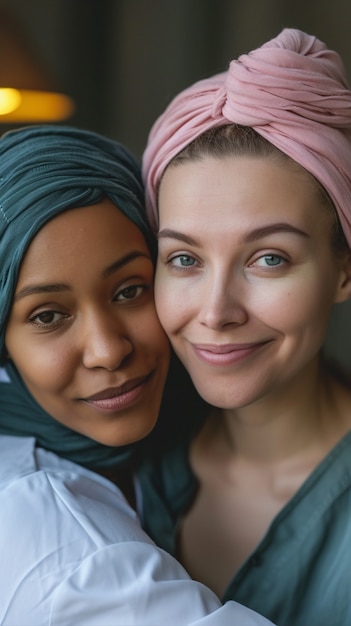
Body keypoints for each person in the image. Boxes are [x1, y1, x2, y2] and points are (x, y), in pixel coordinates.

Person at [0, 125, 274, 625]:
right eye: (47, 316)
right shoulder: (65, 548)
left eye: (130, 290)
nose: (108, 351)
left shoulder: (193, 435)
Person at [139, 28, 351, 626]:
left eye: (269, 258)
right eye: (184, 259)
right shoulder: (126, 456)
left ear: (343, 269)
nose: (215, 311)